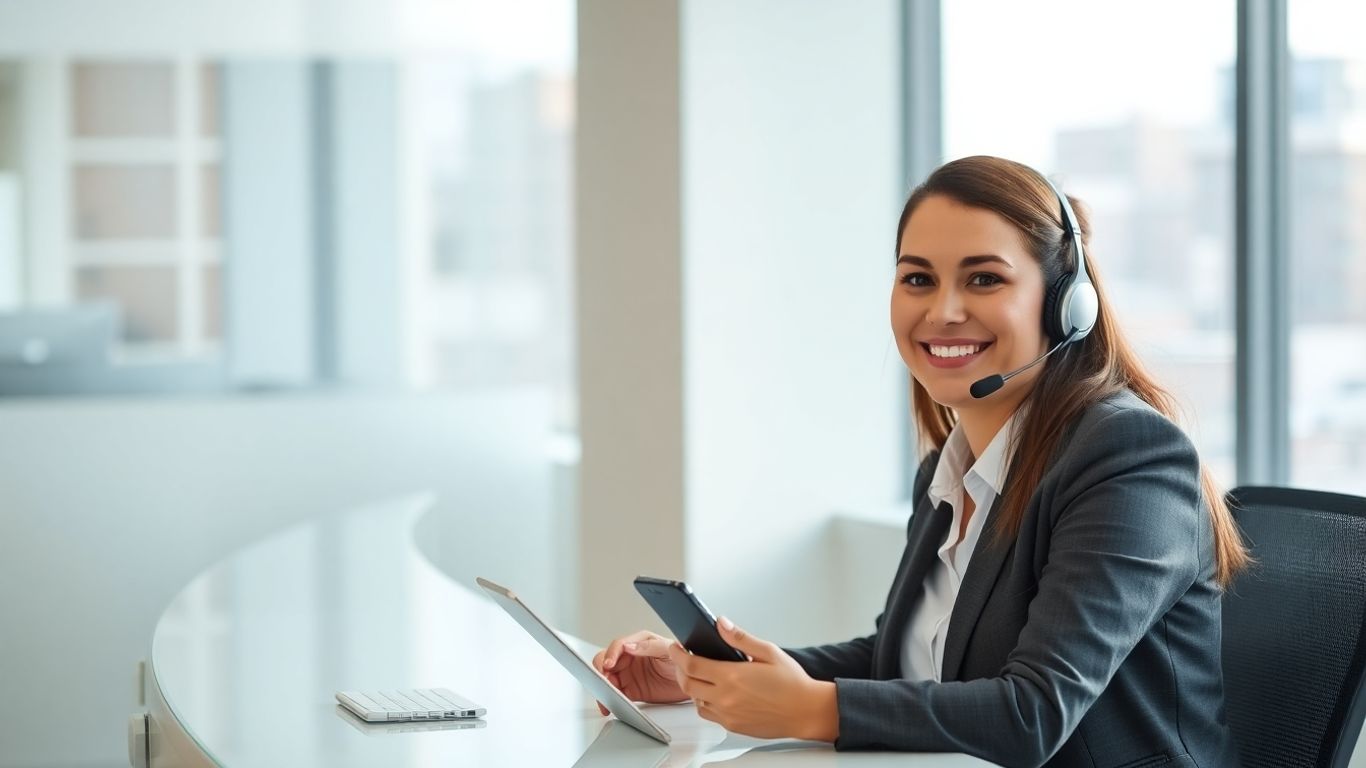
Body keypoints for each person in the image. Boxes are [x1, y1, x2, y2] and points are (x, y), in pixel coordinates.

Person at [590, 155, 1250, 768]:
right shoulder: (952, 469)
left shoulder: (1127, 458)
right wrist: (710, 676)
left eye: (984, 279)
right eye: (918, 279)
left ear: (1064, 303)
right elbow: (896, 662)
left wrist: (814, 708)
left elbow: (1035, 713)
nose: (944, 310)